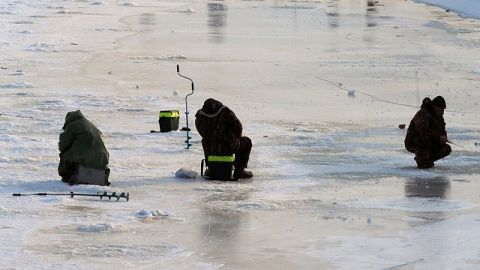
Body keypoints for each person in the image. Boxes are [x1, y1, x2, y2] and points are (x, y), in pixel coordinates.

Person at [195, 98, 253, 179]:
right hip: (229, 147)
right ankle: (239, 171)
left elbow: (201, 132)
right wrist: (235, 138)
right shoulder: (226, 112)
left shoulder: (200, 116)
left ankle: (211, 169)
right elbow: (238, 127)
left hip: (210, 149)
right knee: (246, 141)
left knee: (206, 141)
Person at [58, 110, 110, 185]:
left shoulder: (72, 125)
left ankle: (68, 177)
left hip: (85, 157)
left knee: (65, 155)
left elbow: (63, 146)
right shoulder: (91, 125)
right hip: (102, 158)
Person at [404, 96, 451, 168]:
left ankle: (426, 160)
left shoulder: (439, 118)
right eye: (441, 109)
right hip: (413, 141)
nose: (443, 112)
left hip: (430, 140)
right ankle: (421, 159)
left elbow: (442, 130)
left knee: (446, 149)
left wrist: (443, 137)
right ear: (435, 107)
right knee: (425, 139)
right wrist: (438, 137)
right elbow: (423, 130)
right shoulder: (423, 113)